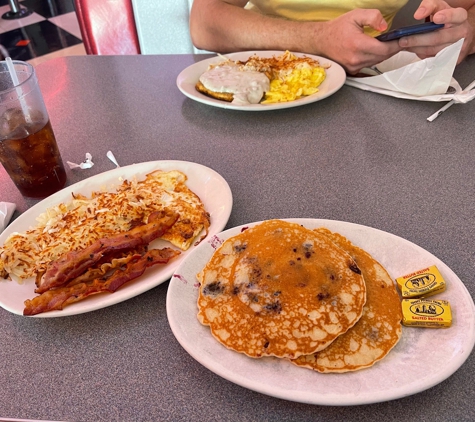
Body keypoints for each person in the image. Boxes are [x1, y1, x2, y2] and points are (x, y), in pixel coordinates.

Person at [189, 0, 475, 74]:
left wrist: (462, 32)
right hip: (262, 77)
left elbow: (466, 10)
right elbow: (204, 22)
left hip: (376, 79)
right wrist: (318, 37)